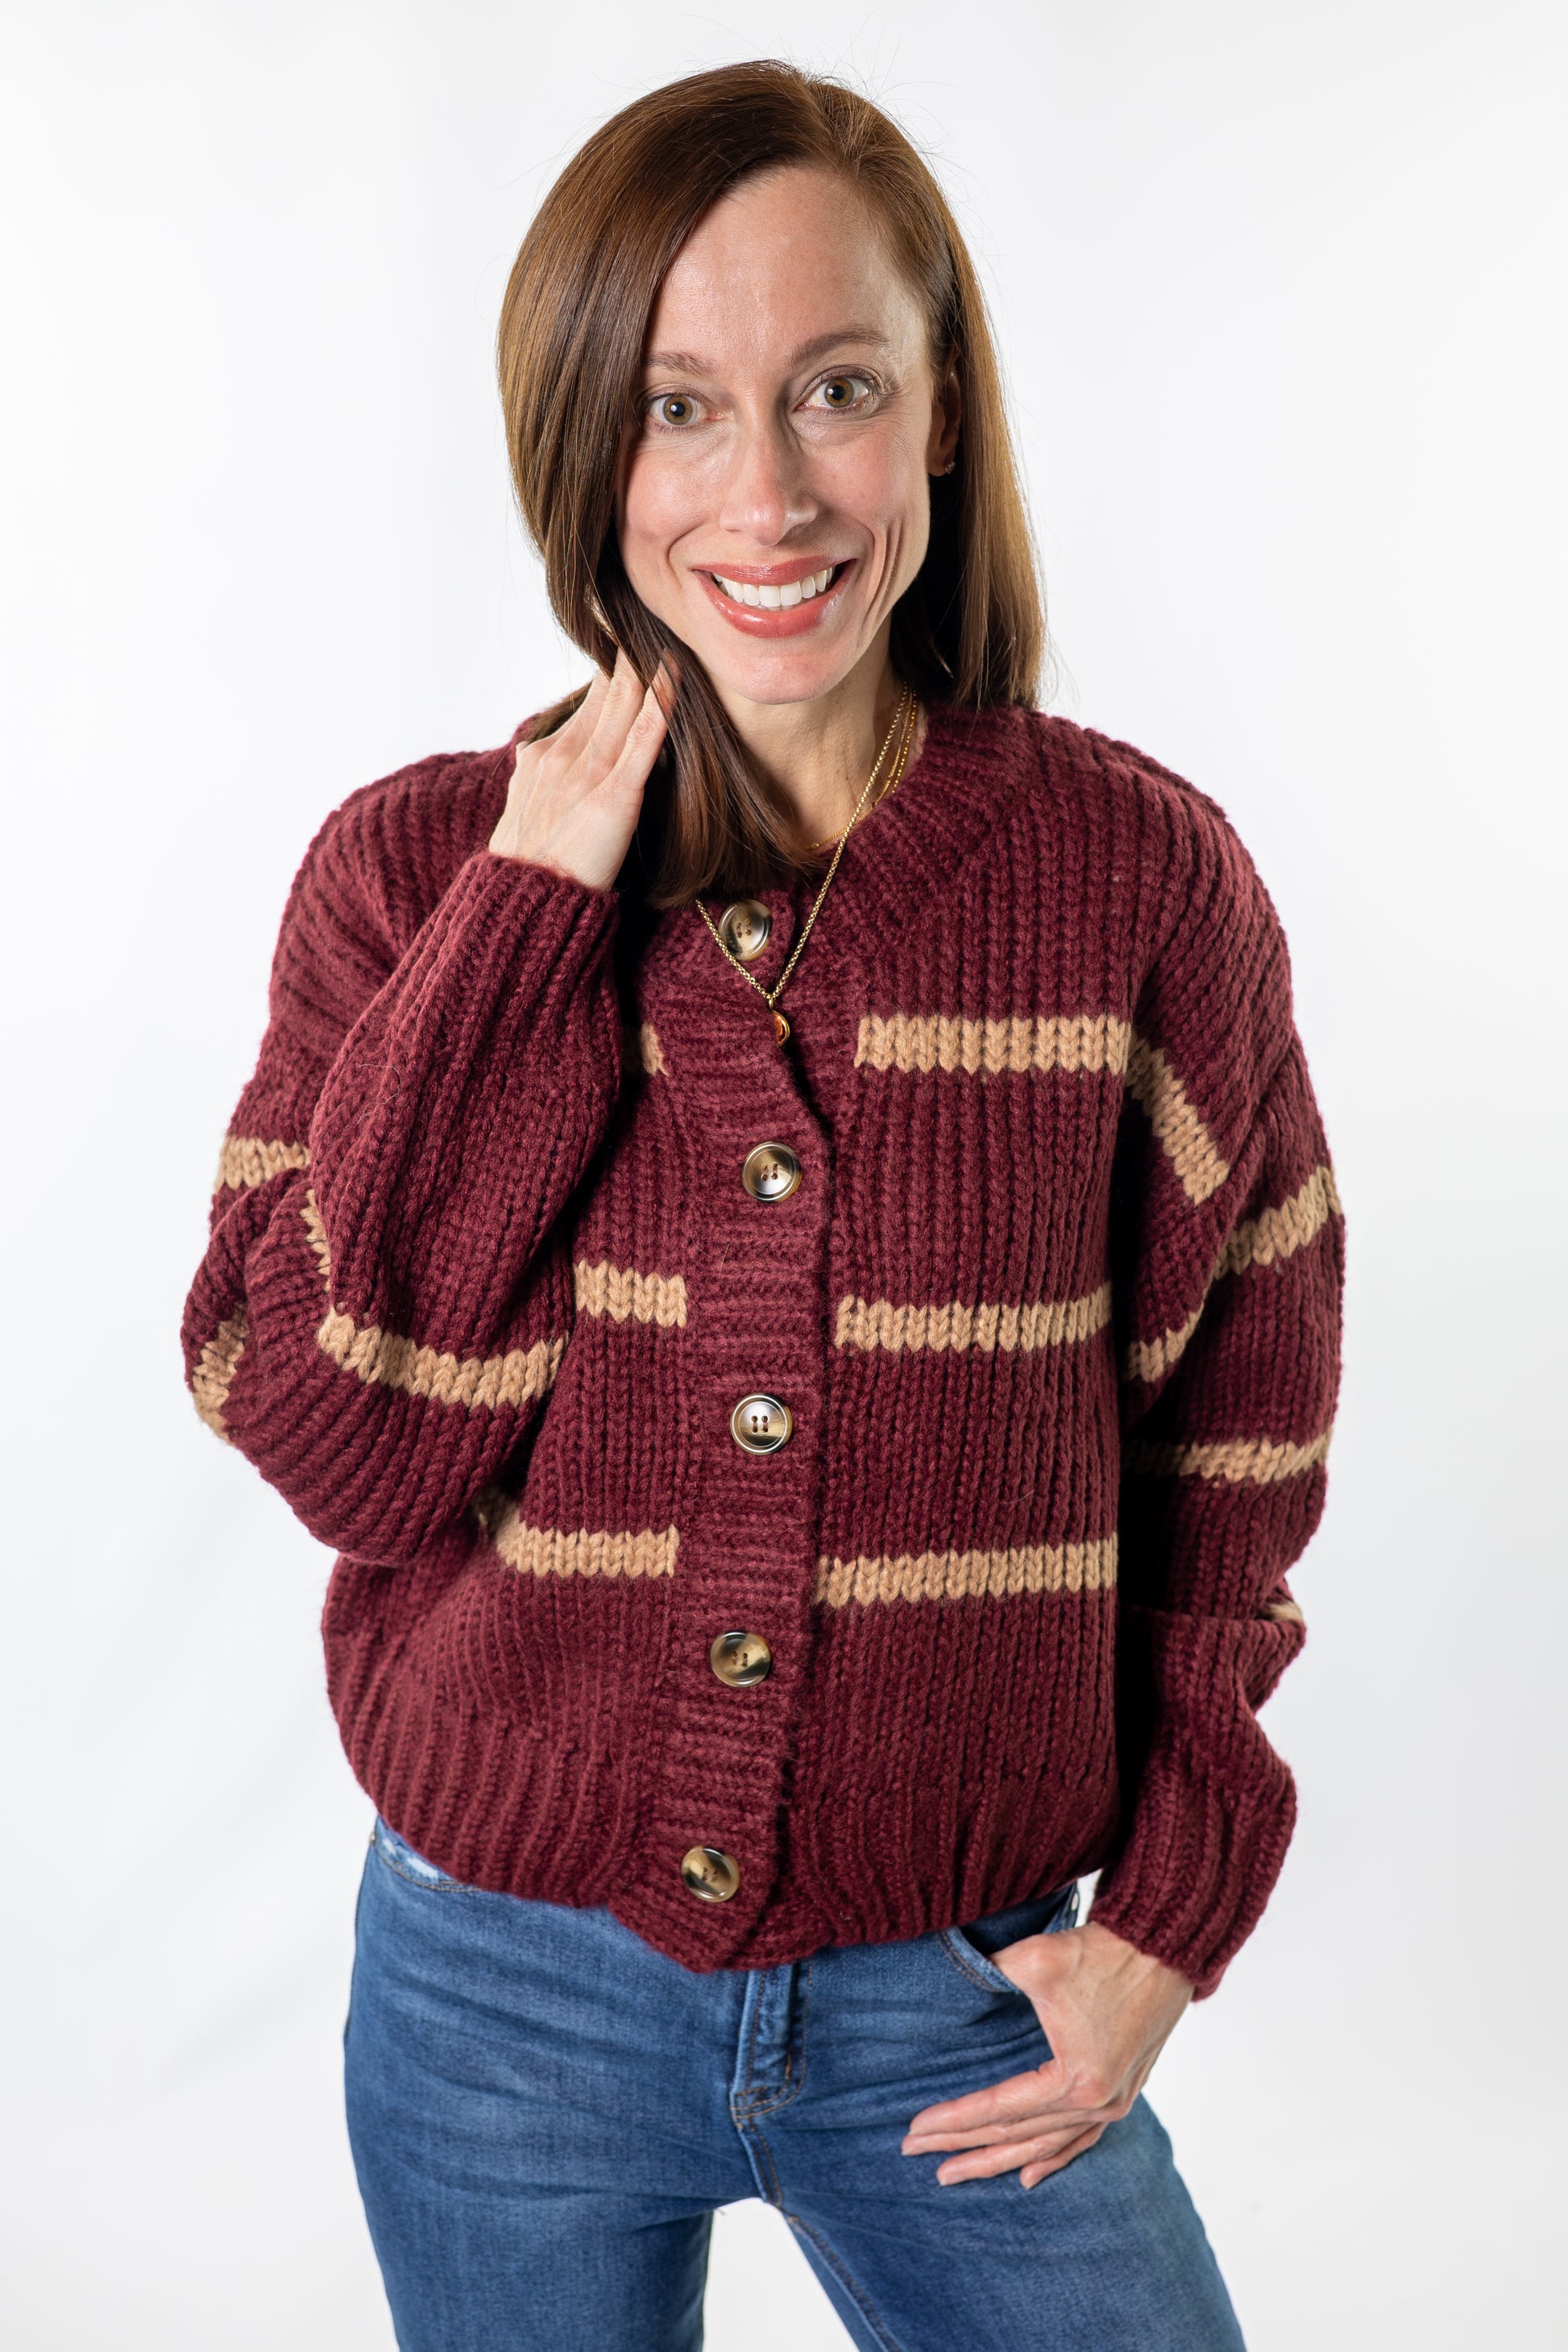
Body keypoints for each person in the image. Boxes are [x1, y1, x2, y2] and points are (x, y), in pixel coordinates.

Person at [183, 59, 1343, 2352]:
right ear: (576, 446)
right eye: (676, 408)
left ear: (937, 418)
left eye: (833, 389)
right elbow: (330, 1436)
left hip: (970, 1990)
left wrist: (1168, 1923)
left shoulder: (1135, 884)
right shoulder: (414, 881)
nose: (765, 493)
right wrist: (522, 927)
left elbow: (1238, 1437)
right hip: (496, 1991)